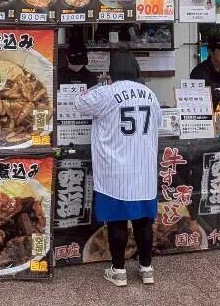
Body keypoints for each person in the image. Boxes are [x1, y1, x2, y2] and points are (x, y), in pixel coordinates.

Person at [74, 50, 162, 287]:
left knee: (117, 221)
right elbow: (158, 122)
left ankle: (119, 270)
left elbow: (79, 103)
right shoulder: (150, 94)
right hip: (143, 170)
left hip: (115, 171)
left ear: (111, 72)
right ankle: (147, 269)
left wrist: (102, 83)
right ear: (135, 70)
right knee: (144, 221)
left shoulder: (106, 92)